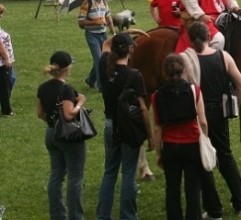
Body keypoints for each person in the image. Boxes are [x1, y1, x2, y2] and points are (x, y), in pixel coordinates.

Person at [184, 22, 241, 218]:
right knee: (225, 156)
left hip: (197, 114)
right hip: (220, 112)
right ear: (208, 37)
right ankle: (240, 202)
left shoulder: (188, 61)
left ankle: (214, 209)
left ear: (190, 39)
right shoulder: (223, 56)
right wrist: (234, 104)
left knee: (204, 160)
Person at [96, 33, 154, 220]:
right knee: (129, 172)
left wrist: (117, 36)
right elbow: (143, 108)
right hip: (128, 127)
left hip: (110, 124)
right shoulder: (134, 75)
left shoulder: (104, 67)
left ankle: (103, 215)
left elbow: (105, 44)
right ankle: (128, 216)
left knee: (110, 171)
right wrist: (151, 135)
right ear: (129, 50)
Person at [152, 53, 208, 220]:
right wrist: (205, 139)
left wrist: (158, 152)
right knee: (192, 189)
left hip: (170, 146)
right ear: (183, 70)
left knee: (172, 188)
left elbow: (158, 128)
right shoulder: (194, 91)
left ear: (164, 72)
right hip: (191, 144)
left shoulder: (157, 96)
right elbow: (203, 121)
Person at [36, 51, 87, 220]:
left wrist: (53, 123)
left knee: (56, 175)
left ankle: (57, 216)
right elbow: (68, 114)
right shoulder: (66, 89)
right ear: (66, 68)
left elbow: (40, 113)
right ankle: (75, 216)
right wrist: (79, 103)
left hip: (51, 134)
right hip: (69, 137)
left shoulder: (43, 87)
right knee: (75, 178)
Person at [77, 0, 115, 91]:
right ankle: (101, 85)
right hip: (92, 35)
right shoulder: (86, 3)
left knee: (103, 59)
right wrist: (95, 22)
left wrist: (114, 33)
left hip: (103, 35)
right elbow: (81, 21)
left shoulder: (104, 2)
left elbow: (109, 18)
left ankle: (90, 79)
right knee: (99, 59)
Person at [0, 3, 15, 115]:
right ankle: (7, 110)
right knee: (5, 86)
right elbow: (0, 46)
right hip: (2, 63)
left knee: (11, 79)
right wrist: (7, 60)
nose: (1, 16)